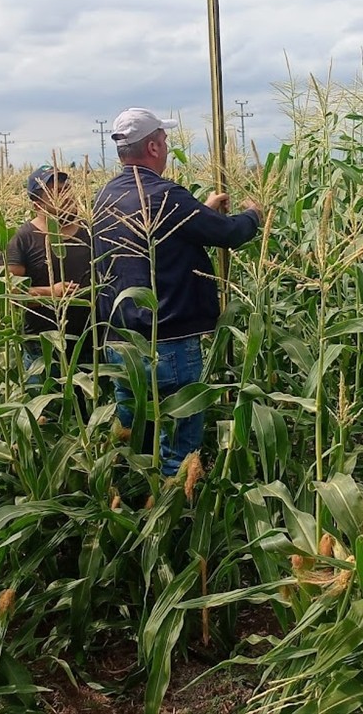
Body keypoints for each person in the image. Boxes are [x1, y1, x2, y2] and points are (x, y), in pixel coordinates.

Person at [92, 107, 263, 476]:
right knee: (177, 453)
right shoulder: (166, 195)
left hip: (121, 345)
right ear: (153, 147)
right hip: (167, 341)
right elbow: (228, 235)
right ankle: (175, 525)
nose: (167, 147)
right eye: (165, 141)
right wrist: (254, 215)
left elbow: (159, 238)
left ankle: (134, 515)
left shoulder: (104, 198)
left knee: (134, 440)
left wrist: (201, 211)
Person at [5, 165, 94, 412]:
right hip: (43, 353)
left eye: (67, 189)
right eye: (56, 193)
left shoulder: (90, 232)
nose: (67, 196)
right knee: (47, 419)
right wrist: (50, 293)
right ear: (38, 205)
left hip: (90, 348)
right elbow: (10, 295)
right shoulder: (23, 239)